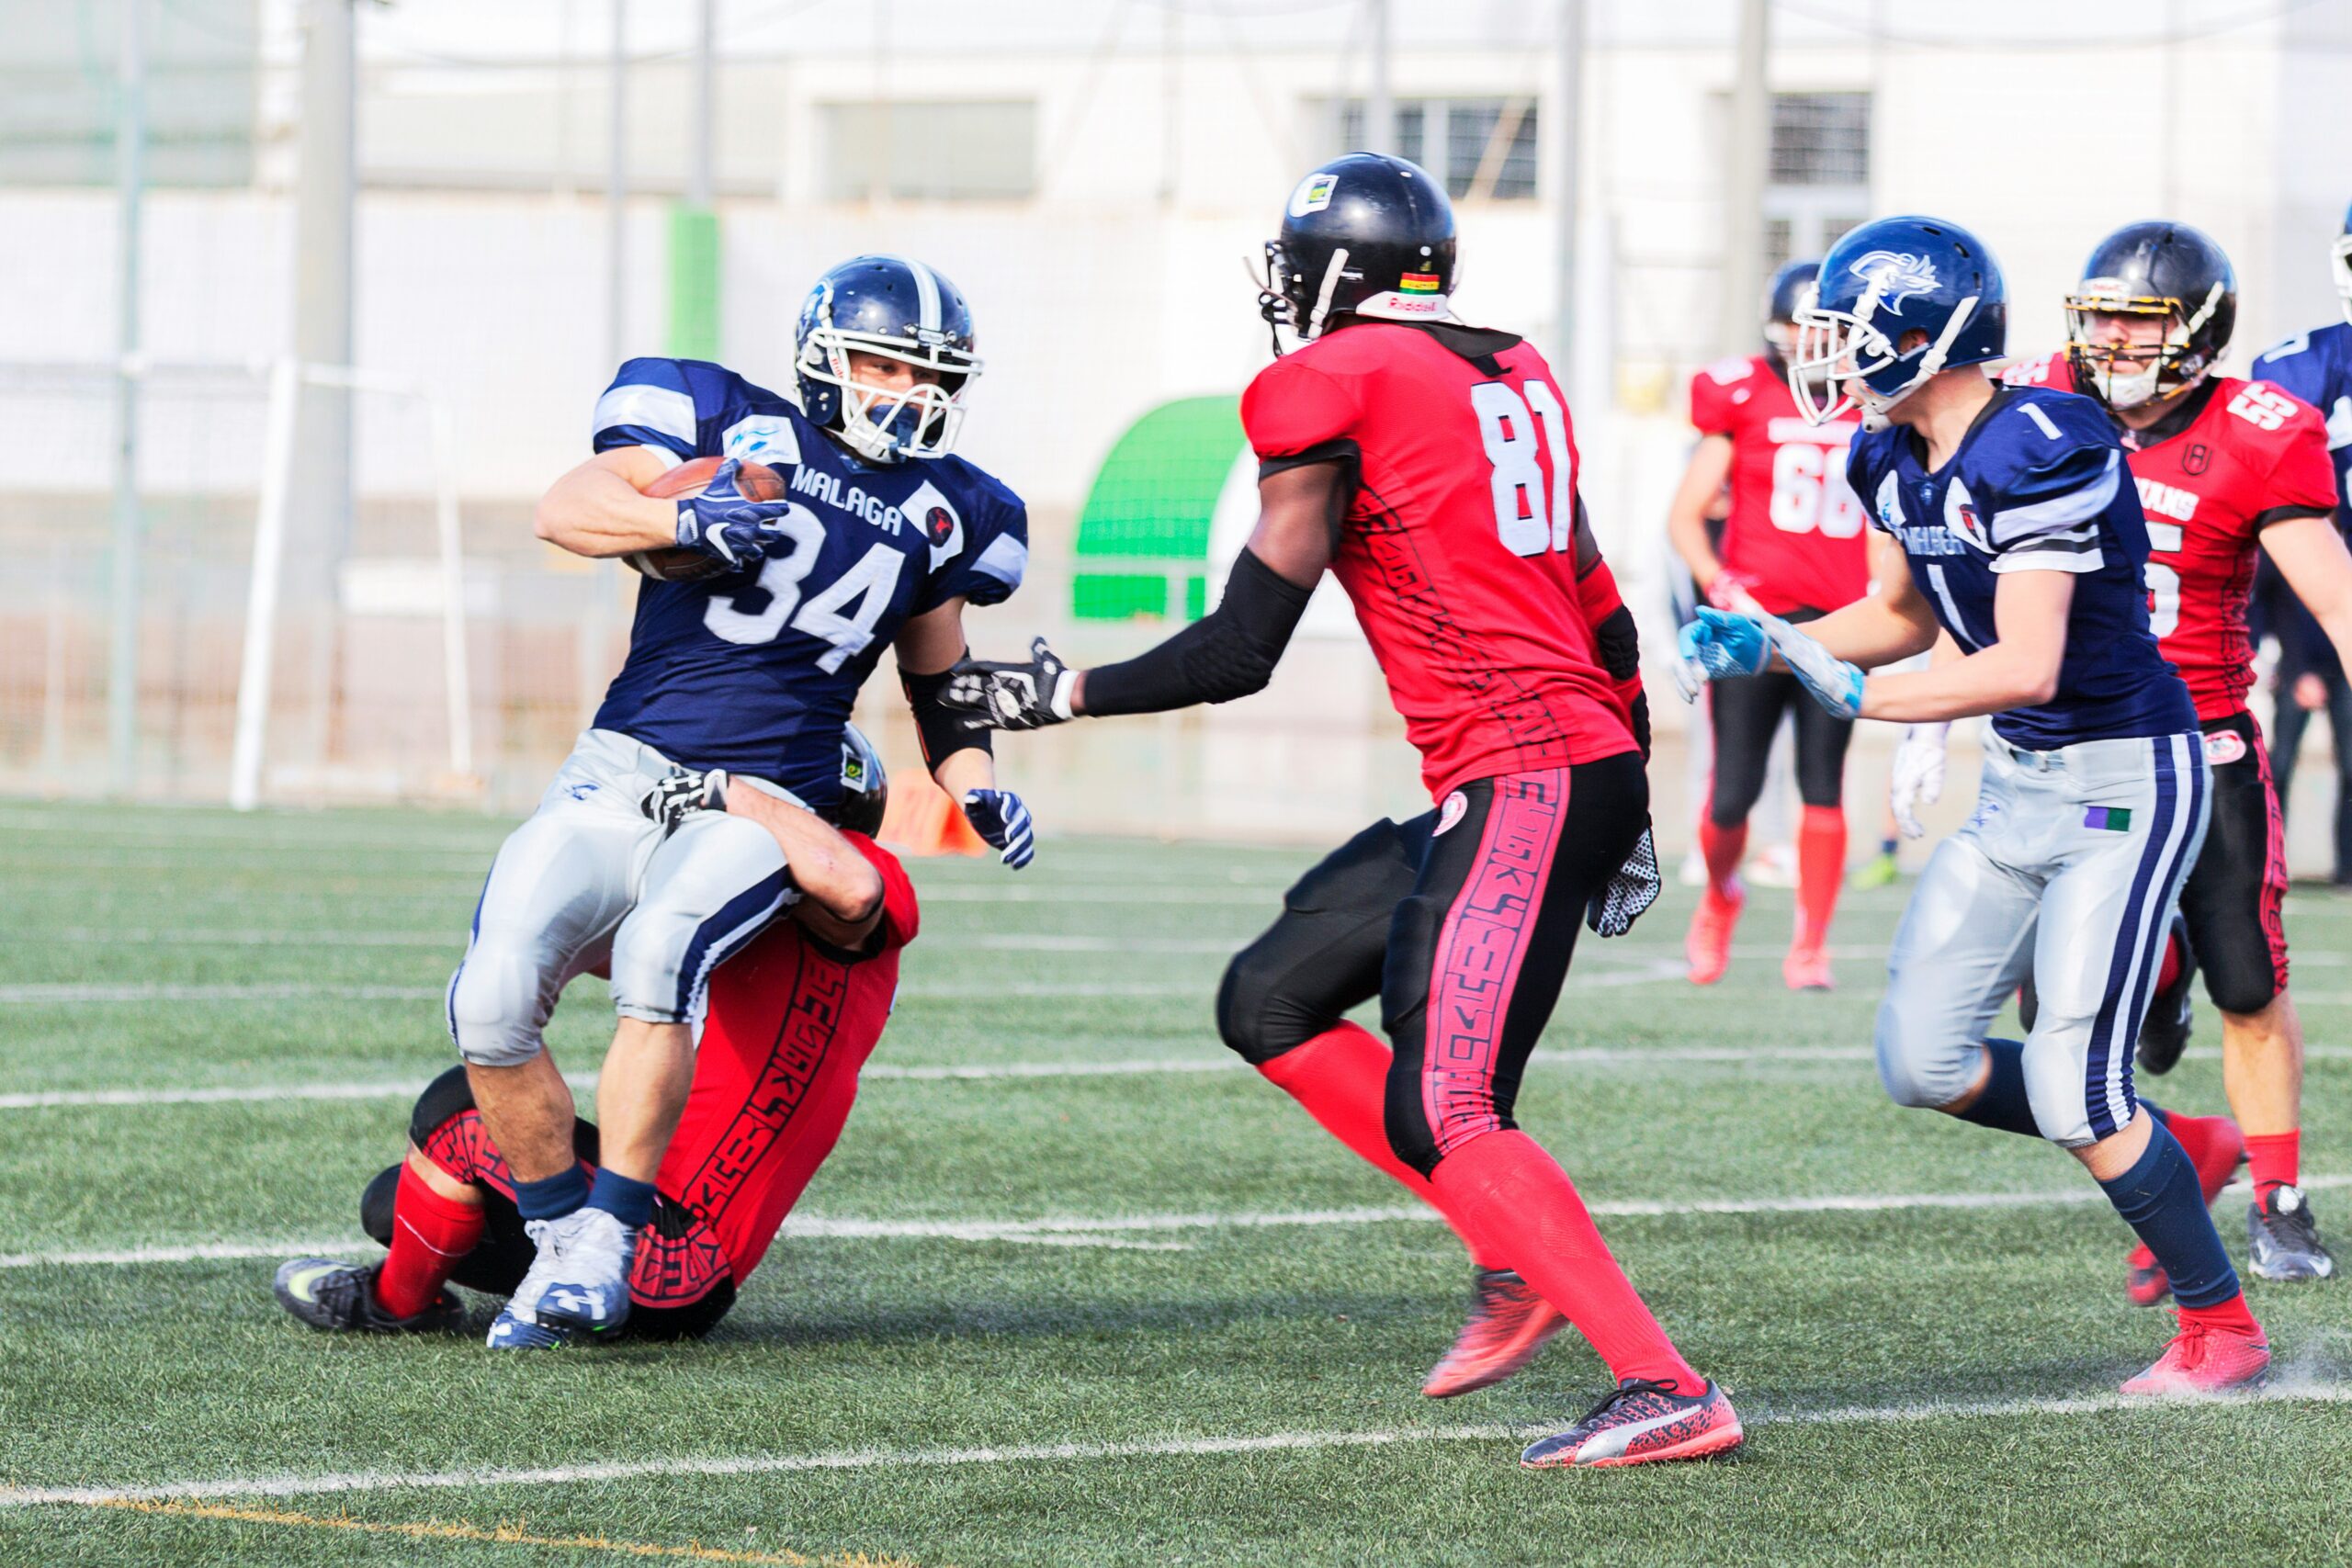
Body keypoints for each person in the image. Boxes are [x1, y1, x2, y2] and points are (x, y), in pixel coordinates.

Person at [941, 152, 1741, 1470]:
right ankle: (1510, 1248)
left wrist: (1061, 687)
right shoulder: (1514, 369)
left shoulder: (1328, 380)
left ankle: (1661, 1379)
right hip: (1559, 759)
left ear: (1333, 273)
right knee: (1268, 998)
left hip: (1526, 767)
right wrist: (1635, 789)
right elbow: (1596, 593)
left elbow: (1242, 644)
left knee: (1452, 1105)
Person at [1680, 214, 2272, 1393]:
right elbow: (1899, 615)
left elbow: (2024, 663)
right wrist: (1772, 643)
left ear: (1927, 334)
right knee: (1921, 1059)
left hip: (2124, 777)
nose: (1831, 357)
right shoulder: (1884, 454)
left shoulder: (2038, 441)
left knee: (2073, 1084)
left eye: (1851, 335)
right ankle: (2190, 1148)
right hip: (2020, 783)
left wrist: (1861, 696)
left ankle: (2223, 1330)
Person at [447, 255, 1034, 1349]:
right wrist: (688, 524)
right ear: (821, 351)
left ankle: (610, 1245)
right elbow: (568, 507)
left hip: (764, 794)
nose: (904, 392)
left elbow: (937, 681)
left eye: (927, 376)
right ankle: (564, 1240)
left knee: (667, 954)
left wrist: (979, 783)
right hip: (620, 767)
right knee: (488, 999)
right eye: (881, 363)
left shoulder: (953, 510)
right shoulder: (726, 421)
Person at [275, 733, 916, 1339]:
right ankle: (430, 1290)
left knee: (458, 1112)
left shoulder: (863, 877)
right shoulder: (773, 905)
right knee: (397, 1203)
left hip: (672, 1251)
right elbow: (608, 943)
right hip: (670, 1255)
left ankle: (392, 1307)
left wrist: (728, 792)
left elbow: (851, 890)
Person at [2003, 220, 2348, 1285]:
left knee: (2249, 983)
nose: (2110, 339)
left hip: (2203, 749)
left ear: (2199, 328)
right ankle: (2161, 1013)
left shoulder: (2257, 429)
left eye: (2137, 319)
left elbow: (2333, 594)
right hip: (2076, 753)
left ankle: (2280, 1198)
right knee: (2046, 1001)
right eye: (2099, 314)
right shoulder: (2026, 405)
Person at [1666, 258, 1870, 988]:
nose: (1808, 342)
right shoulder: (1742, 392)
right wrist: (1721, 583)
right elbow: (1685, 514)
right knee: (1732, 792)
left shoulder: (1874, 399)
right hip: (1752, 621)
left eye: (1823, 329)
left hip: (1841, 624)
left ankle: (1811, 942)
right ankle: (1720, 898)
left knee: (1824, 783)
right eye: (1796, 327)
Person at [2253, 197, 2352, 894]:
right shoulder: (2295, 370)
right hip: (2302, 623)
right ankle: (2267, 864)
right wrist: (2272, 641)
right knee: (2273, 762)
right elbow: (2260, 541)